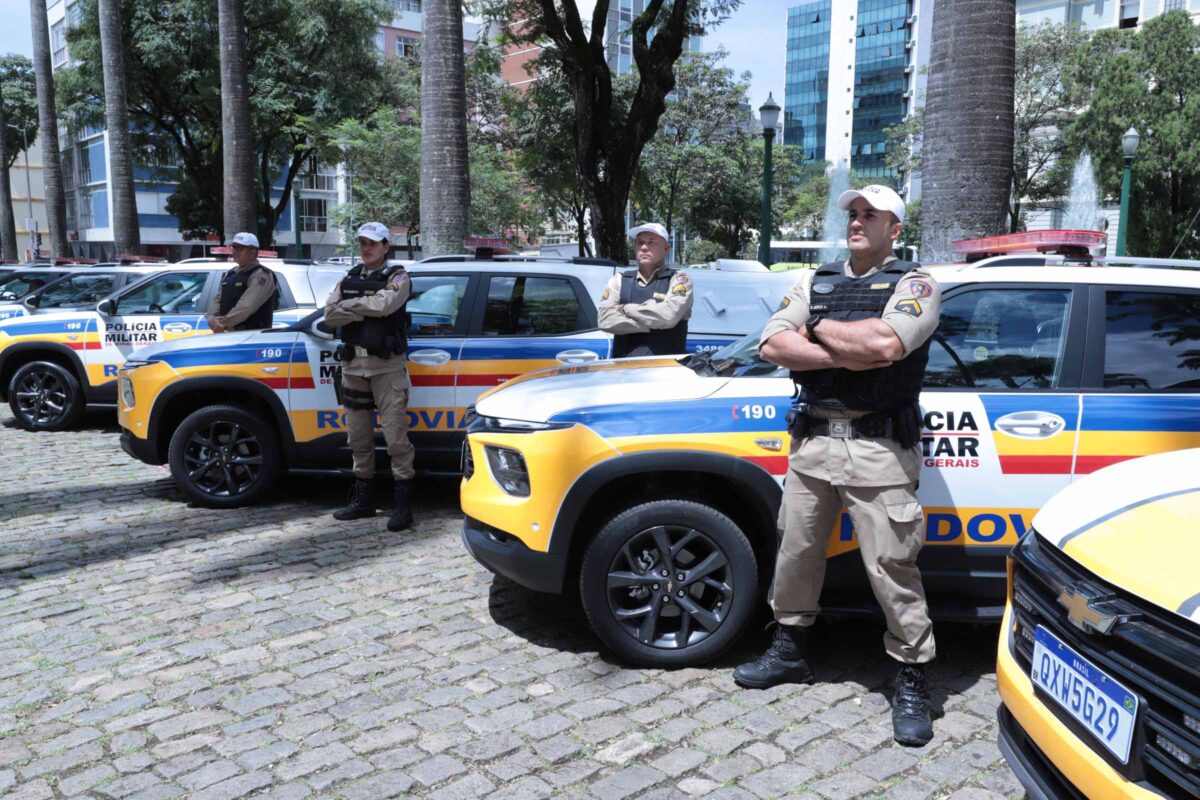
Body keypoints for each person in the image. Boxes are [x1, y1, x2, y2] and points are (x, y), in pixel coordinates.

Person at [732, 185, 941, 747]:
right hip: (814, 443)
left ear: (894, 229)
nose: (857, 221)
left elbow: (885, 344)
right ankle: (790, 647)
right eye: (853, 213)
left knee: (891, 566)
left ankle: (912, 673)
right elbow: (772, 347)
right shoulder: (815, 280)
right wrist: (845, 351)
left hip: (879, 450)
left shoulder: (914, 285)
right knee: (795, 553)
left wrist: (818, 329)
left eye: (871, 215)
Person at [324, 221, 415, 532]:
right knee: (358, 438)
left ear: (386, 247)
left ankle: (403, 507)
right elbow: (329, 314)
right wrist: (365, 307)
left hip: (386, 369)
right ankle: (364, 501)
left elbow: (387, 304)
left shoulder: (398, 276)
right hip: (353, 368)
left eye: (373, 243)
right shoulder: (348, 277)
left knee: (395, 439)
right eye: (362, 242)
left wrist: (350, 305)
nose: (366, 248)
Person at [598, 222, 693, 357]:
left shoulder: (679, 280)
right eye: (639, 242)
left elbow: (668, 317)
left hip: (666, 370)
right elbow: (605, 320)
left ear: (666, 249)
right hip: (624, 370)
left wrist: (626, 309)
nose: (643, 247)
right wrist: (652, 323)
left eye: (651, 243)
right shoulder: (619, 280)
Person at [205, 232, 277, 333]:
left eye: (239, 248)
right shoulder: (231, 274)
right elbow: (217, 299)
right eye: (233, 247)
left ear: (252, 252)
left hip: (252, 336)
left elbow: (247, 306)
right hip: (229, 334)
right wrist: (212, 318)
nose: (234, 251)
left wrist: (223, 323)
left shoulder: (261, 275)